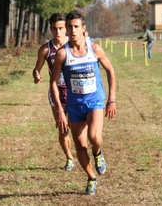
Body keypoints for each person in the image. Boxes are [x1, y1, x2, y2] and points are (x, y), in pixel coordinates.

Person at [50, 10, 116, 195]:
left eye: (76, 26)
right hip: (74, 105)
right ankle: (91, 177)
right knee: (80, 146)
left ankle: (98, 153)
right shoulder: (63, 54)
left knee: (94, 137)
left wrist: (111, 99)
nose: (72, 30)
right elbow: (53, 82)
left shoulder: (94, 49)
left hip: (94, 101)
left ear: (83, 28)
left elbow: (110, 70)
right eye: (69, 26)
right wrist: (60, 111)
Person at [32, 13, 74, 171]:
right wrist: (36, 74)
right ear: (50, 29)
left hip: (75, 93)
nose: (58, 32)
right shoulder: (45, 49)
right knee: (62, 127)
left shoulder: (73, 44)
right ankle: (69, 158)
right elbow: (37, 69)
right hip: (57, 94)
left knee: (77, 127)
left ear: (66, 29)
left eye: (61, 28)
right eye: (55, 29)